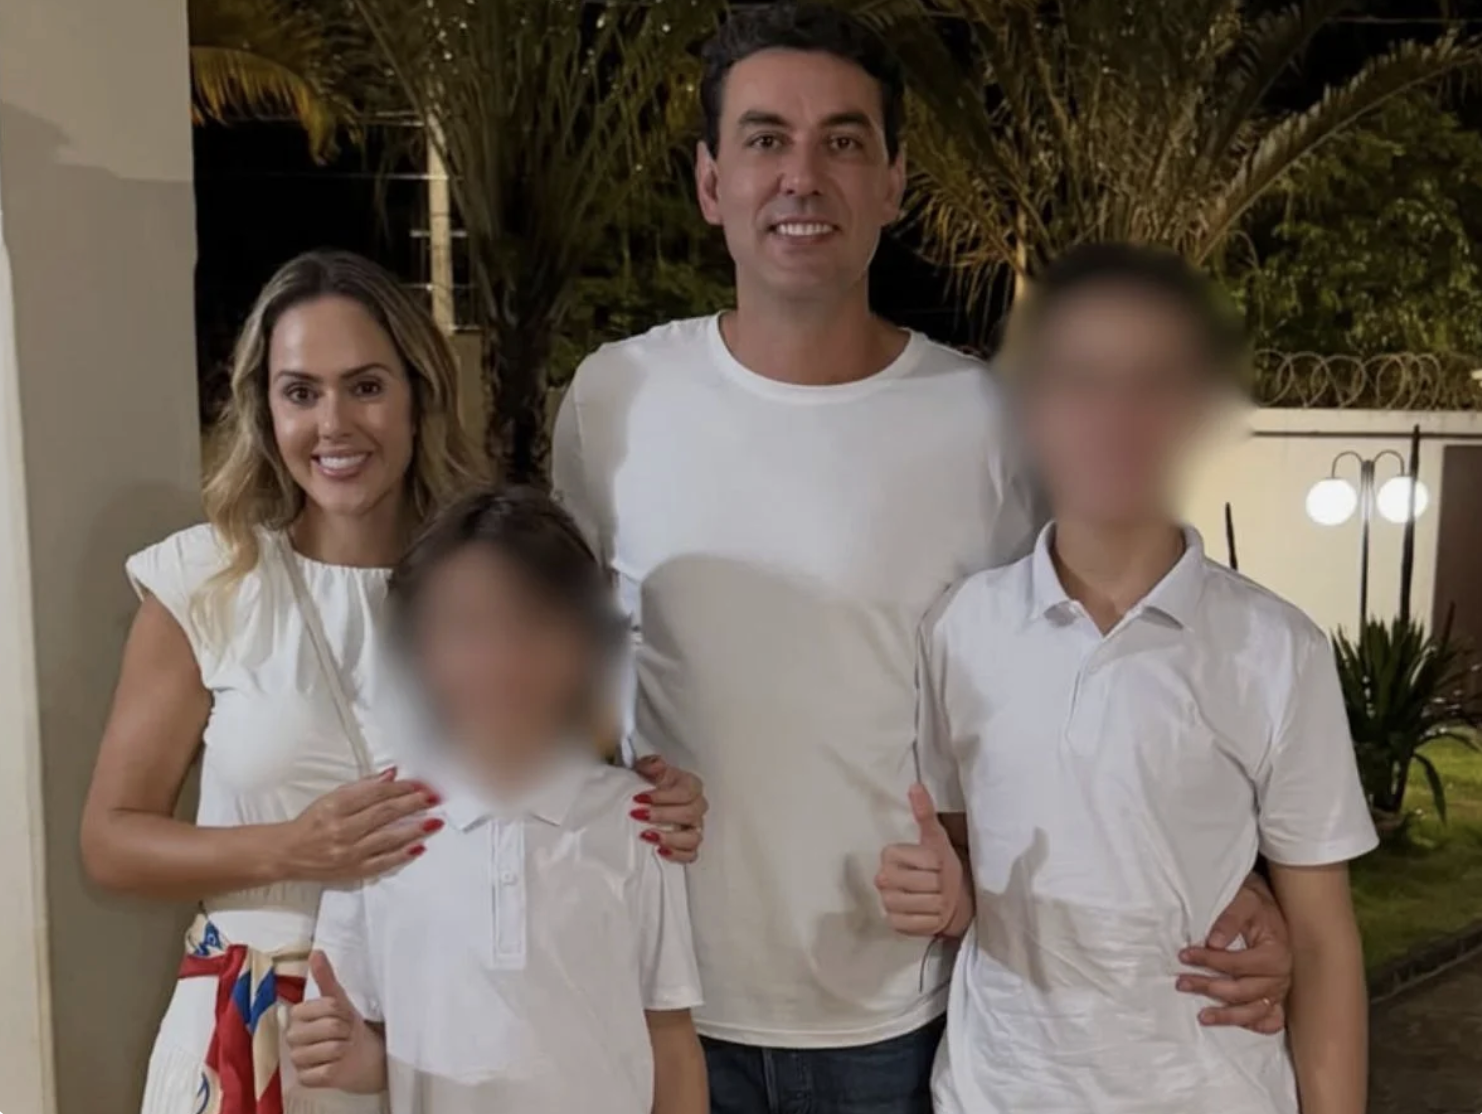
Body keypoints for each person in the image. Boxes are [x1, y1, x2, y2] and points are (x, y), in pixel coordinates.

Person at [552, 6, 1295, 1111]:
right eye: (765, 138)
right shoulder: (615, 398)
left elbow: (1103, 668)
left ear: (894, 180)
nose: (803, 175)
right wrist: (600, 784)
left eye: (844, 140)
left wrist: (1244, 876)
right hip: (662, 1006)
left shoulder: (988, 421)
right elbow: (551, 676)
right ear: (711, 181)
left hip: (908, 1013)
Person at [80, 250, 708, 1114]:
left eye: (366, 387)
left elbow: (573, 788)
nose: (334, 423)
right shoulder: (207, 581)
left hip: (449, 1042)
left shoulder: (491, 588)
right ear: (266, 409)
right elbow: (110, 840)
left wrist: (657, 802)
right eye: (301, 392)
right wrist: (292, 850)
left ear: (419, 394)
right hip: (255, 1029)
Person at [877, 244, 1376, 1114]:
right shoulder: (962, 628)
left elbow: (1326, 938)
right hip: (1000, 1093)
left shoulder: (1276, 649)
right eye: (1082, 380)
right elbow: (965, 849)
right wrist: (948, 897)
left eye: (1155, 381)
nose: (1116, 415)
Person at [283, 486, 708, 1113]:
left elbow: (669, 1038)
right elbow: (372, 1045)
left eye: (534, 623)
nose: (503, 659)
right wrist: (349, 1057)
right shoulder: (380, 825)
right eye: (467, 627)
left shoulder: (636, 822)